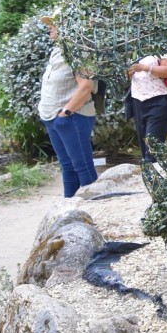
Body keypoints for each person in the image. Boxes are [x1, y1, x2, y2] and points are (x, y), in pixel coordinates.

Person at [38, 12, 99, 197]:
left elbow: (86, 86)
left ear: (67, 26)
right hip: (53, 118)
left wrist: (65, 114)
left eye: (54, 23)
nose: (49, 26)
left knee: (82, 167)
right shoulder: (59, 50)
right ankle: (68, 208)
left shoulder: (78, 50)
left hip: (73, 117)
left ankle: (96, 206)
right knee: (67, 166)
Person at [127, 55, 167, 163]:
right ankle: (150, 171)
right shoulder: (135, 47)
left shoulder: (164, 47)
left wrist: (144, 68)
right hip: (138, 100)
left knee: (152, 150)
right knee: (144, 150)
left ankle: (152, 172)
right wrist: (129, 73)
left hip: (159, 100)